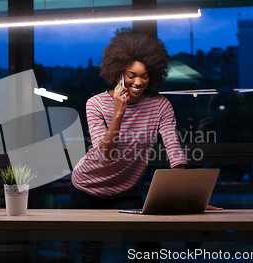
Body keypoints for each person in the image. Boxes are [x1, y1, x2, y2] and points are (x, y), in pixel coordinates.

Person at [70, 27, 219, 263]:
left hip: (126, 190)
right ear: (119, 72)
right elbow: (104, 154)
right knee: (91, 250)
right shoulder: (95, 104)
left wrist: (188, 197)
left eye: (145, 75)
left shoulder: (160, 105)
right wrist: (119, 112)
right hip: (88, 187)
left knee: (149, 247)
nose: (138, 82)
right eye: (131, 75)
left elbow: (174, 149)